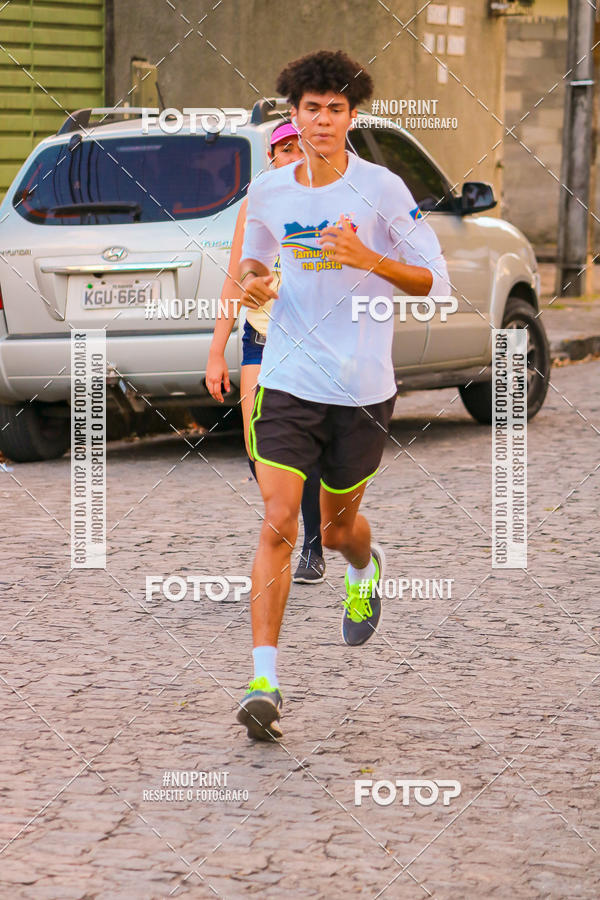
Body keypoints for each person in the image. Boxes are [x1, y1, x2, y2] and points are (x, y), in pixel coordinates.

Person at [236, 49, 450, 741]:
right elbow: (254, 258)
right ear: (294, 115)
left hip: (361, 386)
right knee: (278, 519)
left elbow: (435, 282)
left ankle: (365, 567)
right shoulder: (270, 190)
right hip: (287, 378)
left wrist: (370, 259)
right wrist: (253, 279)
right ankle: (263, 682)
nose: (323, 120)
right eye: (312, 108)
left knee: (335, 530)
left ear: (352, 116)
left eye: (335, 109)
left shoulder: (382, 188)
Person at [206, 120, 326, 584]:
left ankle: (311, 543)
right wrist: (216, 352)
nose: (292, 155)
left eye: (299, 147)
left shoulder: (324, 203)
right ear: (272, 157)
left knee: (305, 445)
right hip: (259, 339)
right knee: (257, 448)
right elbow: (234, 279)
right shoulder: (254, 206)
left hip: (309, 340)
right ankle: (285, 518)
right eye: (284, 149)